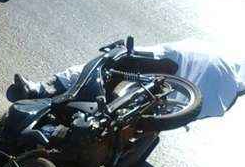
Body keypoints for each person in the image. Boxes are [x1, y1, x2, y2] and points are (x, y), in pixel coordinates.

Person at [13, 38, 245, 120]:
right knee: (151, 112)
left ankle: (42, 89)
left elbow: (145, 56)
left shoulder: (213, 53)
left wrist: (121, 50)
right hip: (207, 98)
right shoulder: (234, 80)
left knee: (111, 61)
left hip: (181, 59)